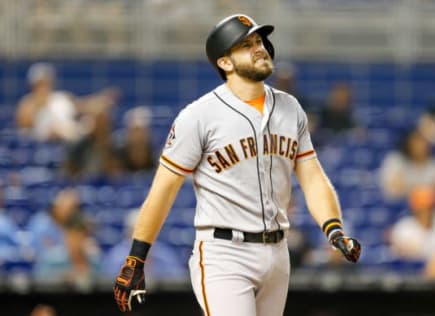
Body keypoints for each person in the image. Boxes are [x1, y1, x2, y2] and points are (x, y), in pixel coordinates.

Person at [113, 14, 361, 315]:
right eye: (246, 44)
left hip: (277, 252)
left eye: (259, 41)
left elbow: (312, 177)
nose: (258, 48)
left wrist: (333, 229)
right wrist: (136, 258)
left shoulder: (290, 108)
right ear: (225, 63)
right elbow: (164, 189)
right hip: (225, 253)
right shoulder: (198, 116)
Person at [15, 62, 118, 143]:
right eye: (41, 83)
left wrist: (102, 99)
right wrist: (40, 104)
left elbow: (83, 105)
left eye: (47, 82)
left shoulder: (60, 97)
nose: (45, 86)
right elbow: (24, 128)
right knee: (57, 130)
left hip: (72, 133)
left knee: (98, 119)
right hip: (47, 137)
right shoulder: (27, 102)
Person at [379, 128, 435, 201]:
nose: (420, 146)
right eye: (416, 142)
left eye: (423, 142)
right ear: (408, 144)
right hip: (397, 203)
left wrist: (410, 188)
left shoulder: (434, 163)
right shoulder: (396, 159)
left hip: (426, 204)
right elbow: (394, 187)